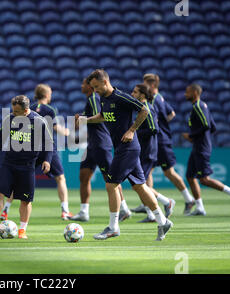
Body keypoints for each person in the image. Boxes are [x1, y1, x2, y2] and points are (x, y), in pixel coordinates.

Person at [77, 69, 173, 241]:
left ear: (105, 82)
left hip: (128, 147)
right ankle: (163, 220)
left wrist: (131, 130)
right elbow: (105, 116)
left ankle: (113, 227)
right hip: (123, 148)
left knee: (111, 184)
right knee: (140, 186)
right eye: (93, 87)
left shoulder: (120, 96)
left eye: (97, 86)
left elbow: (144, 110)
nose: (95, 90)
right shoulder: (103, 98)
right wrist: (88, 120)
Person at [0, 84, 73, 221]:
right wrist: (68, 132)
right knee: (60, 178)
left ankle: (5, 210)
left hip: (29, 149)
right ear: (46, 95)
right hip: (45, 149)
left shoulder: (30, 108)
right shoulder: (51, 109)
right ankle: (65, 211)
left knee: (18, 180)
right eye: (50, 92)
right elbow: (55, 127)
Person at [0, 95, 53, 239]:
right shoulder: (9, 119)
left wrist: (47, 160)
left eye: (16, 112)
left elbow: (49, 143)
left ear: (26, 110)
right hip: (9, 163)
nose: (13, 114)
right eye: (12, 110)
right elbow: (1, 137)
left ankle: (22, 230)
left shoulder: (39, 121)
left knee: (26, 200)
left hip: (28, 166)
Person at [134, 73, 195, 216]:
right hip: (158, 139)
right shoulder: (160, 98)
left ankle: (187, 199)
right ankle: (148, 204)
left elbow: (161, 117)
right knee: (148, 173)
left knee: (168, 173)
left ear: (153, 85)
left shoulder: (154, 100)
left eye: (146, 84)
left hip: (160, 141)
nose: (144, 87)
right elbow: (171, 113)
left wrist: (159, 126)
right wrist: (162, 123)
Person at [72, 77, 131, 222]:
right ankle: (84, 212)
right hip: (92, 144)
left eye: (83, 83)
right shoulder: (90, 98)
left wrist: (82, 117)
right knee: (84, 176)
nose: (81, 86)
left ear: (90, 86)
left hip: (100, 144)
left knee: (111, 179)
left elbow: (101, 115)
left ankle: (124, 208)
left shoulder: (93, 98)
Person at [182, 84, 230, 215]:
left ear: (194, 92)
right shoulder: (203, 106)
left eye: (187, 92)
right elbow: (213, 127)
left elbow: (206, 125)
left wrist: (191, 136)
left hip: (201, 147)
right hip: (199, 146)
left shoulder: (198, 106)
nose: (185, 95)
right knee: (190, 176)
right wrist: (203, 139)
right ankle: (200, 208)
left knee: (204, 179)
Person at [130, 84, 176, 223]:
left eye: (135, 92)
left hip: (148, 151)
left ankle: (166, 202)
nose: (132, 94)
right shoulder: (144, 108)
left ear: (142, 95)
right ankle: (153, 212)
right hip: (146, 151)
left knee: (139, 184)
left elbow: (154, 129)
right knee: (141, 183)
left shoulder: (147, 108)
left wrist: (134, 131)